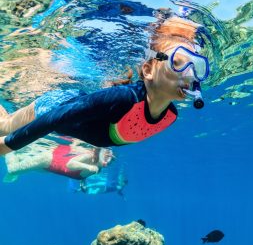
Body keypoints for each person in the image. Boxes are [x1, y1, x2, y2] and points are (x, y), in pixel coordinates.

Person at [0, 16, 210, 155]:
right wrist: (8, 146)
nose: (190, 74)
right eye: (177, 63)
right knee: (6, 125)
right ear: (148, 71)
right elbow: (57, 117)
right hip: (52, 107)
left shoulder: (170, 116)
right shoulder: (122, 98)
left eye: (196, 65)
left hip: (74, 116)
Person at [3, 135, 114, 182]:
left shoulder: (97, 169)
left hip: (51, 164)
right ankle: (7, 145)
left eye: (110, 160)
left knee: (28, 162)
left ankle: (18, 155)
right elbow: (70, 164)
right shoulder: (90, 158)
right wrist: (89, 167)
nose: (109, 159)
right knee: (12, 169)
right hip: (48, 160)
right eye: (107, 157)